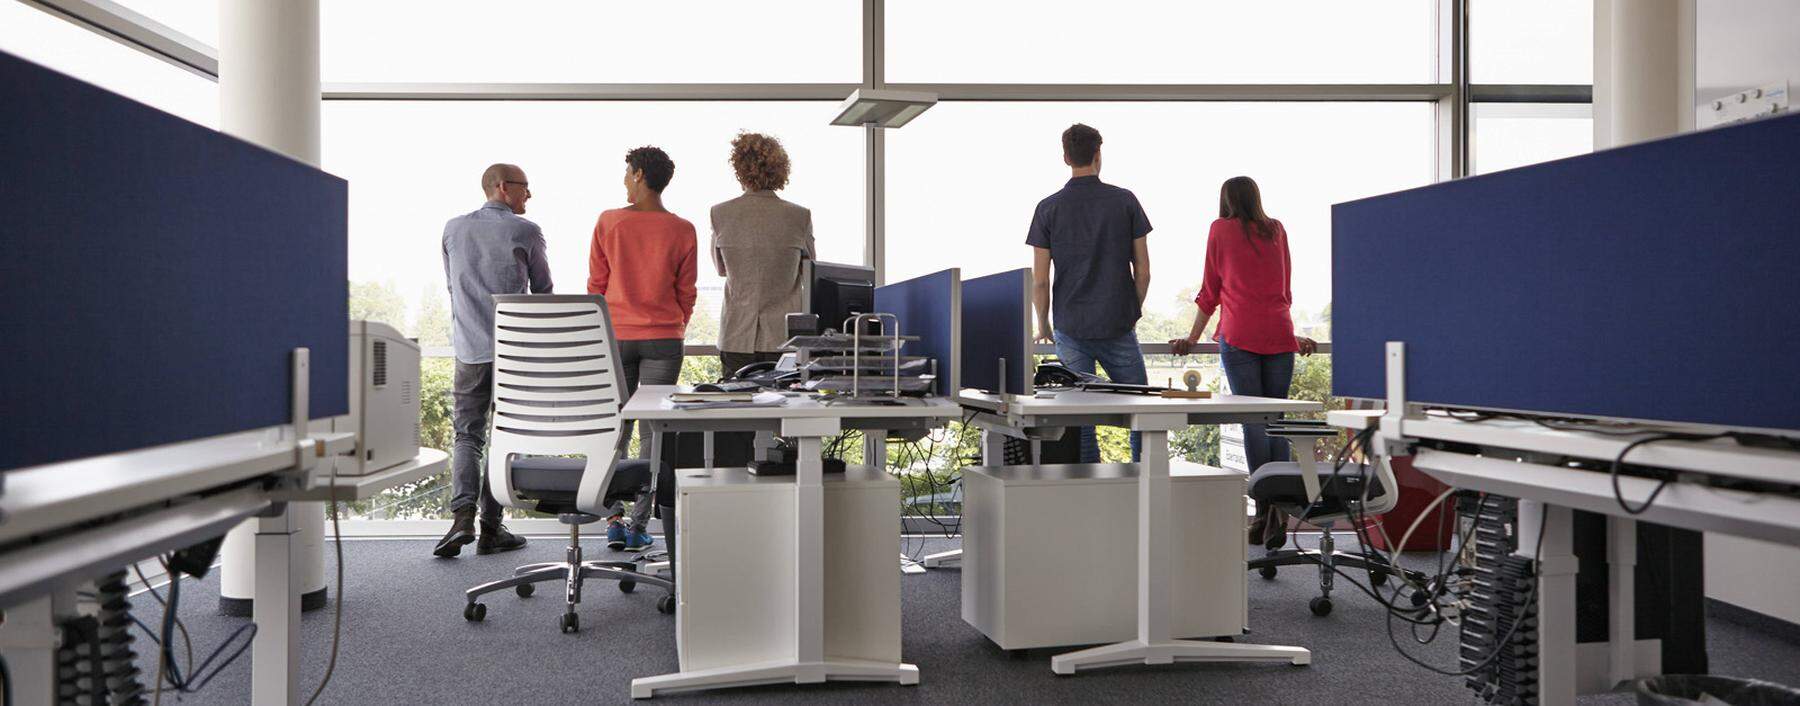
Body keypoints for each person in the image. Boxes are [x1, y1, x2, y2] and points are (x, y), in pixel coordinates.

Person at [1168, 176, 1317, 546]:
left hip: (1240, 336)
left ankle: (1263, 511)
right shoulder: (1277, 230)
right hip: (1280, 335)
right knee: (1276, 422)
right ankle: (1277, 513)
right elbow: (1284, 290)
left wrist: (1192, 337)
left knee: (1254, 422)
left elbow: (1210, 292)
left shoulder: (1220, 229)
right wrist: (1291, 334)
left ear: (1226, 201)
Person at [434, 163, 551, 558]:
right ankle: (491, 529)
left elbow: (452, 286)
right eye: (524, 188)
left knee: (467, 435)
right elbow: (545, 294)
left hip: (469, 351)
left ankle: (462, 518)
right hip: (512, 353)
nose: (528, 196)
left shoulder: (453, 228)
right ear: (503, 188)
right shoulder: (526, 231)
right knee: (504, 439)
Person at [587, 146, 697, 552]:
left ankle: (612, 516)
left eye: (625, 173)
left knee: (616, 427)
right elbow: (686, 291)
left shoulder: (608, 221)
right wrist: (674, 322)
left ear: (637, 174)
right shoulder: (683, 229)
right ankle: (638, 524)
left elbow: (596, 286)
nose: (623, 181)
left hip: (615, 336)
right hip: (663, 338)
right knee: (654, 432)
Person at [1027, 123, 1154, 463]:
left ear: (1066, 157)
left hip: (1070, 325)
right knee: (1143, 413)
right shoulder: (1125, 201)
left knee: (1079, 421)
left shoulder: (1047, 208)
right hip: (1117, 323)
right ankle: (1145, 483)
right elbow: (1143, 271)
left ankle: (1090, 495)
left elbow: (1039, 281)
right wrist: (1131, 311)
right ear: (1099, 154)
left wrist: (1044, 324)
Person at [711, 132, 815, 377]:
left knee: (737, 409)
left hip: (736, 334)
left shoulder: (720, 213)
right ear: (780, 170)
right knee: (787, 407)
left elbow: (721, 269)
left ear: (739, 168)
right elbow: (810, 269)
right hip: (784, 337)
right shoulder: (800, 215)